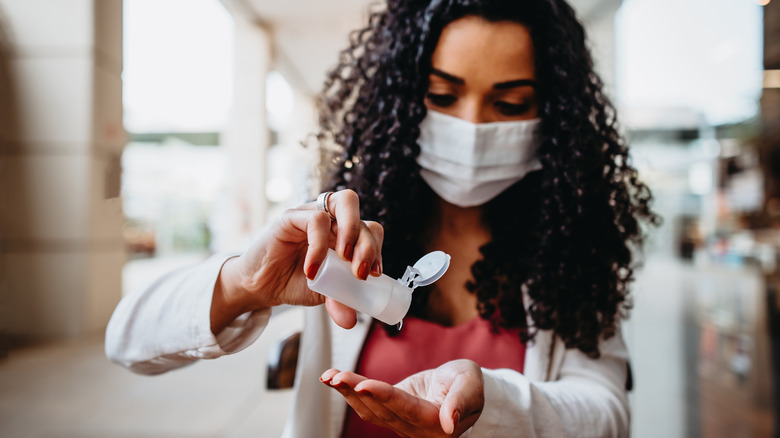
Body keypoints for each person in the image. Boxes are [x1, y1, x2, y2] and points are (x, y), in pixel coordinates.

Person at [106, 0, 659, 436]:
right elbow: (127, 343)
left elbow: (605, 414)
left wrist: (492, 403)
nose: (472, 127)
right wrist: (245, 285)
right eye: (442, 95)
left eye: (509, 105)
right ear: (402, 99)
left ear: (552, 117)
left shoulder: (574, 251)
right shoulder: (340, 226)